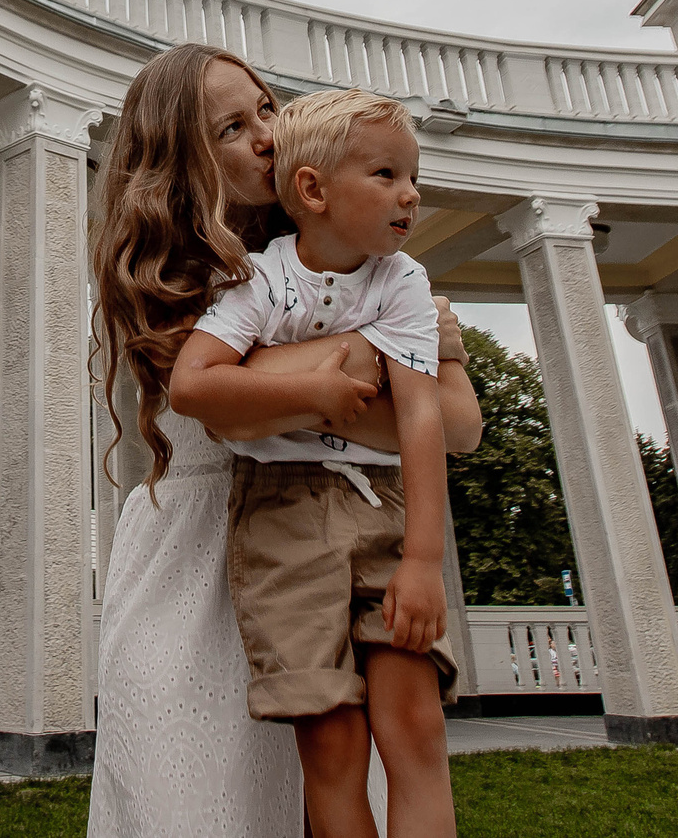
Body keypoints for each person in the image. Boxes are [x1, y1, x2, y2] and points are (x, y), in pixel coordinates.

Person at [88, 47, 481, 838]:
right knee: (189, 802)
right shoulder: (175, 278)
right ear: (180, 158)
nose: (267, 134)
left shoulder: (360, 263)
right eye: (232, 127)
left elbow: (458, 424)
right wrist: (376, 352)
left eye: (266, 107)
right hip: (191, 560)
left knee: (337, 768)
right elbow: (228, 413)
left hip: (328, 540)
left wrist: (322, 373)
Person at [171, 88, 457, 838]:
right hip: (281, 513)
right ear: (313, 189)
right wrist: (313, 394)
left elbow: (424, 414)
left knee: (416, 723)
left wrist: (424, 559)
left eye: (413, 175)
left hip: (384, 507)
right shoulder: (257, 279)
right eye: (387, 174)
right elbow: (192, 385)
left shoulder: (403, 281)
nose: (411, 192)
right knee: (332, 741)